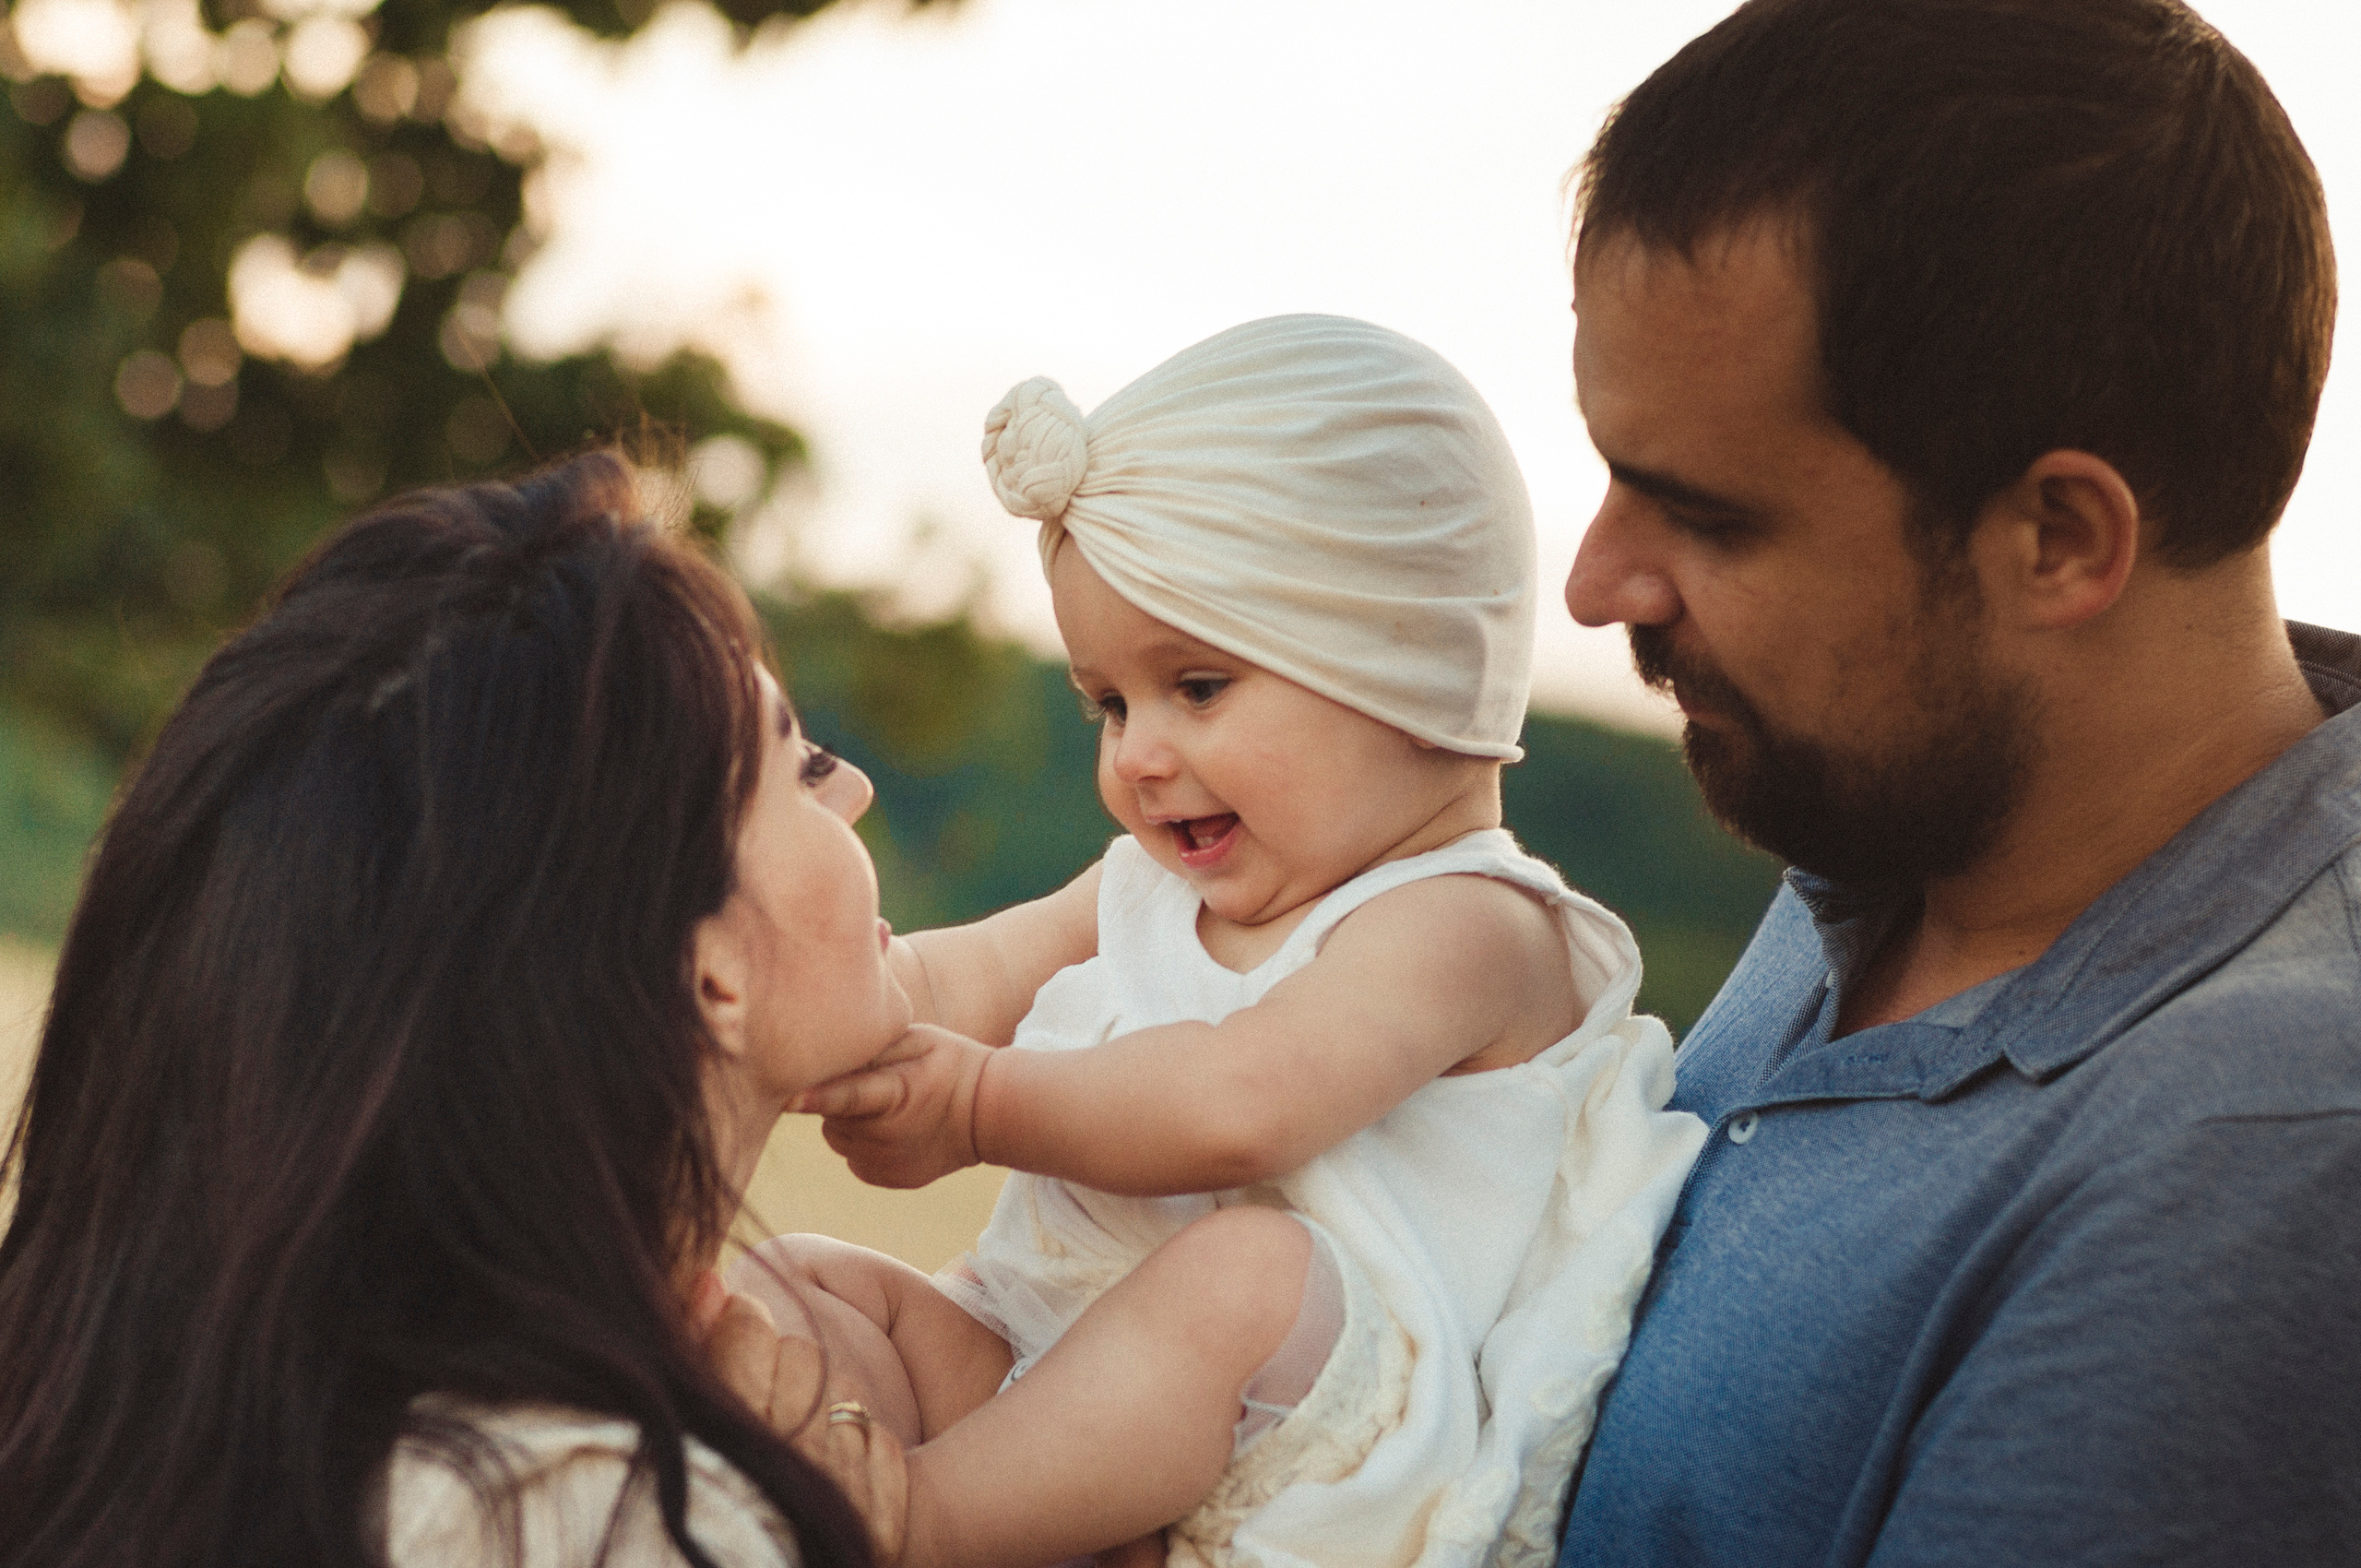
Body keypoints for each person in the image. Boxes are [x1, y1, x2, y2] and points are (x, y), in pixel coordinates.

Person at [1552, 0, 2361, 1562]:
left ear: (2059, 538)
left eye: (1708, 520)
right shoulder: (1898, 845)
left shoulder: (2262, 1157)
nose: (1599, 586)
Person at [756, 315, 1708, 1567]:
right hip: (1044, 1383)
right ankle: (714, 1492)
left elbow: (1242, 1101)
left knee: (1244, 1273)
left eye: (1197, 688)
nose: (1140, 754)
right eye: (1108, 702)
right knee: (810, 1283)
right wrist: (808, 1024)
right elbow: (959, 973)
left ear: (1406, 665)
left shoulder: (1468, 923)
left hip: (1313, 1451)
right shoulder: (1150, 885)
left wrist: (978, 1103)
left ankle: (916, 1523)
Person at [0, 450, 905, 1567]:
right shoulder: (616, 1522)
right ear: (703, 969)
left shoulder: (175, 1416)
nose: (853, 789)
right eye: (803, 764)